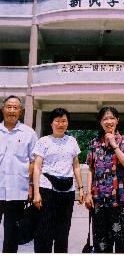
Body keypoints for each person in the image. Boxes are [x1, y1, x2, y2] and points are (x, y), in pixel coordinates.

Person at [33, 107, 84, 253]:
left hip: (67, 189)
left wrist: (81, 189)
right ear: (51, 123)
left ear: (67, 123)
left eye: (64, 121)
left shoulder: (72, 141)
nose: (60, 124)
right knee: (45, 229)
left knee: (63, 230)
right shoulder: (43, 141)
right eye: (57, 121)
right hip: (47, 187)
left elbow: (76, 166)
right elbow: (37, 167)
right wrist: (36, 192)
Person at [85, 106, 124, 253]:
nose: (109, 121)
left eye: (112, 118)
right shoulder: (94, 143)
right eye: (105, 118)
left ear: (117, 120)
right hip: (99, 201)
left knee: (123, 244)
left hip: (120, 200)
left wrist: (114, 145)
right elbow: (91, 169)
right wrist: (88, 194)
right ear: (100, 122)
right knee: (101, 245)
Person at [0, 95, 38, 253]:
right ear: (3, 109)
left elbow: (33, 162)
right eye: (9, 106)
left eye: (16, 108)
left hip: (18, 191)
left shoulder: (29, 133)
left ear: (21, 111)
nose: (12, 110)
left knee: (12, 232)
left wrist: (31, 186)